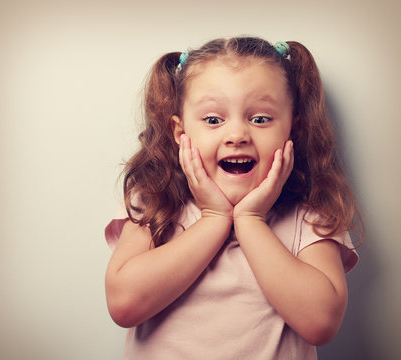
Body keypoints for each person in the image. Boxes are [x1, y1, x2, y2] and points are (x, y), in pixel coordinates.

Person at [104, 36, 362, 359]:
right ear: (180, 134)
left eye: (260, 119)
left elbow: (321, 322)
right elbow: (123, 304)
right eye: (213, 120)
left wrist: (250, 221)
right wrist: (213, 220)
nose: (237, 135)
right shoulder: (156, 201)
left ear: (292, 131)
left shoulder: (309, 215)